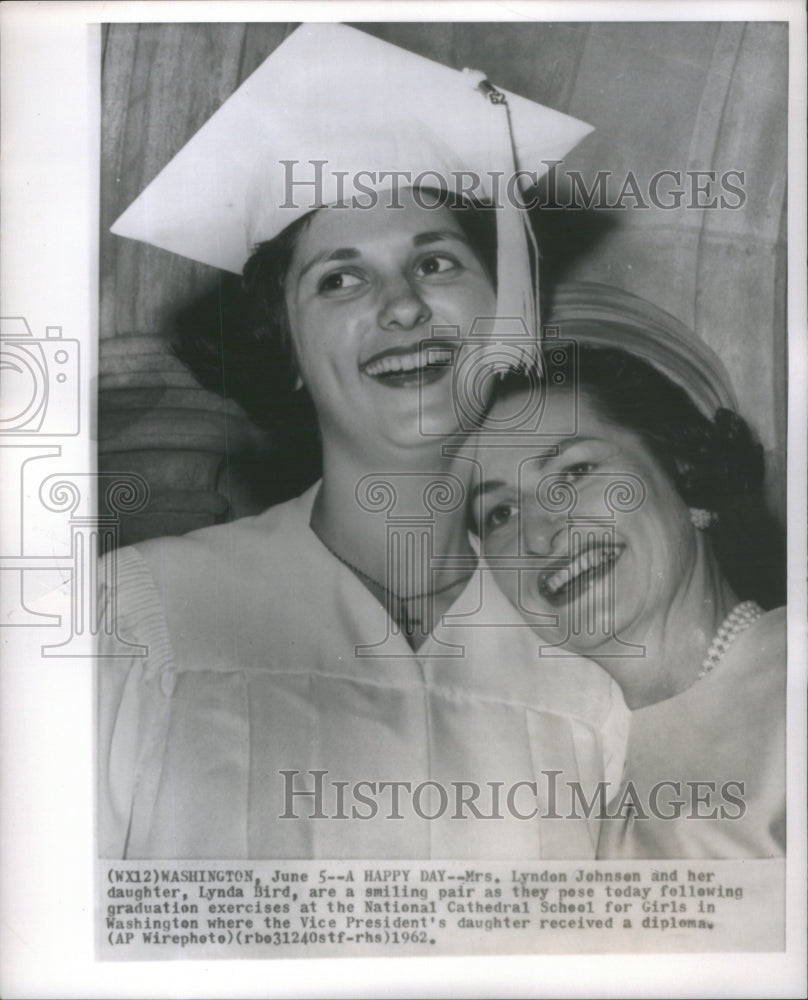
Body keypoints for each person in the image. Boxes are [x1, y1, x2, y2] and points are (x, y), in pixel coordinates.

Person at [98, 25, 629, 859]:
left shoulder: (587, 662)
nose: (403, 306)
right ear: (293, 353)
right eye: (338, 278)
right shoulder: (144, 613)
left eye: (439, 262)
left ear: (506, 314)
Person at [470, 282, 786, 859]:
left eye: (573, 473)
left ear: (685, 467)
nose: (539, 534)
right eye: (499, 513)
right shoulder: (565, 775)